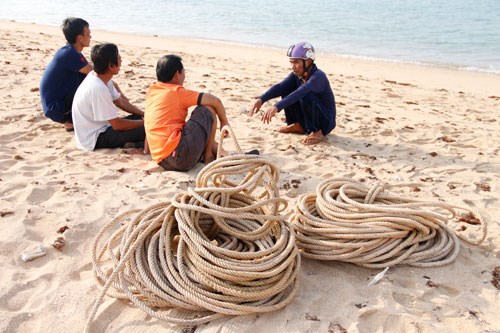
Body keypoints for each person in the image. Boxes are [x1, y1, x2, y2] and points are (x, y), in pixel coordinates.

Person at [144, 54, 230, 171]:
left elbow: (149, 121)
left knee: (197, 131)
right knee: (208, 109)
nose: (184, 75)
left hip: (161, 160)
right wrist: (224, 121)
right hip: (179, 158)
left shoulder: (153, 90)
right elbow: (215, 101)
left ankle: (226, 155)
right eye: (183, 72)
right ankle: (208, 157)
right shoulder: (176, 92)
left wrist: (146, 150)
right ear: (176, 75)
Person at [249, 42, 336, 145]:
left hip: (326, 122)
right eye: (291, 62)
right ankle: (299, 125)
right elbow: (280, 86)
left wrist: (276, 107)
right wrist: (261, 99)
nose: (292, 66)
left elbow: (301, 91)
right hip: (309, 117)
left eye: (296, 62)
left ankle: (317, 132)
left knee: (305, 94)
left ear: (307, 61)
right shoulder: (297, 75)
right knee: (286, 89)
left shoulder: (318, 77)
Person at [72, 43, 147, 153]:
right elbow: (117, 125)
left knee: (138, 118)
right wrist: (146, 123)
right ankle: (136, 144)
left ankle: (135, 144)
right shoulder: (98, 88)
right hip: (95, 138)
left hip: (102, 128)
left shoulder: (99, 76)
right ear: (111, 66)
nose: (121, 59)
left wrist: (145, 115)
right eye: (118, 57)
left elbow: (120, 102)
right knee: (147, 128)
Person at [40, 17, 92, 131]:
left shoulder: (69, 51)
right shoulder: (70, 54)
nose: (90, 37)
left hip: (54, 105)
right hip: (57, 108)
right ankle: (69, 120)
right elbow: (95, 72)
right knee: (94, 82)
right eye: (88, 34)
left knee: (88, 79)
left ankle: (70, 119)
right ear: (79, 38)